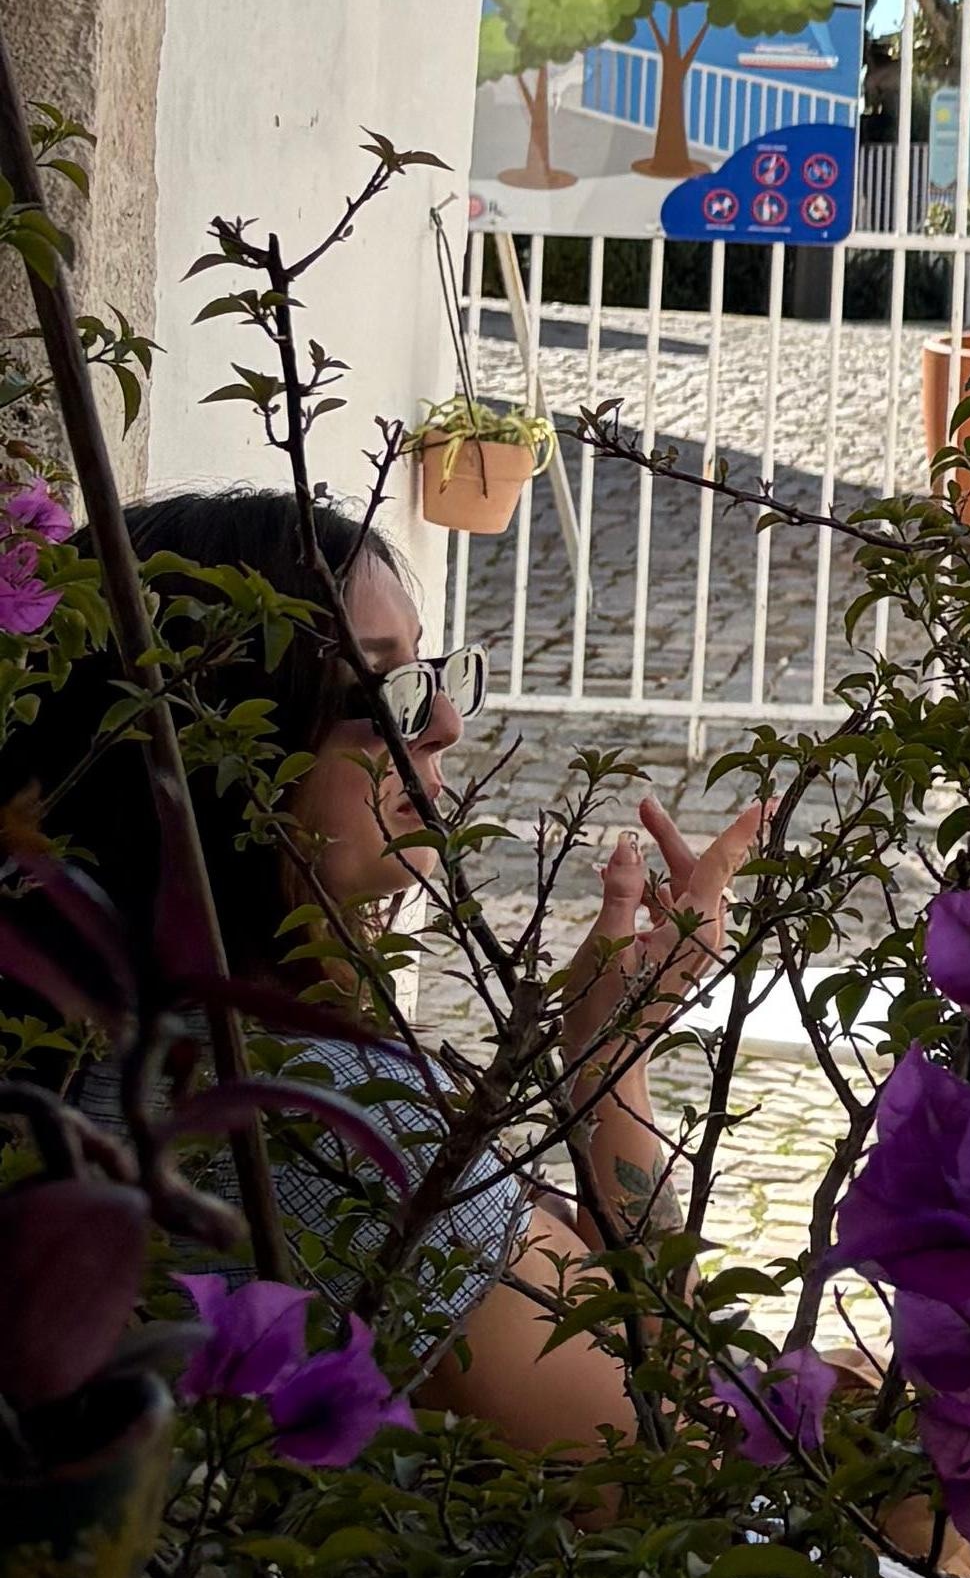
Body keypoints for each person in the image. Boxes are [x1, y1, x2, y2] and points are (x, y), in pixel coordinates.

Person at [15, 485, 758, 1452]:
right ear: (219, 755)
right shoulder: (317, 1113)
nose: (444, 721)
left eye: (430, 674)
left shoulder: (67, 1039)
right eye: (381, 692)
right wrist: (610, 1058)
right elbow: (668, 1442)